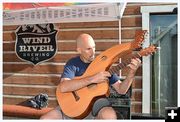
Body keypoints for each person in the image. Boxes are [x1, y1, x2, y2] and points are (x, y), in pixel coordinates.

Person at [40, 33, 141, 119]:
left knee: (109, 116)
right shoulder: (73, 63)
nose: (93, 52)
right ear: (79, 50)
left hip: (97, 106)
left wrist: (132, 72)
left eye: (94, 47)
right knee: (45, 119)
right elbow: (63, 87)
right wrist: (93, 79)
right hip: (72, 106)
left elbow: (121, 90)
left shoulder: (102, 64)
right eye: (88, 49)